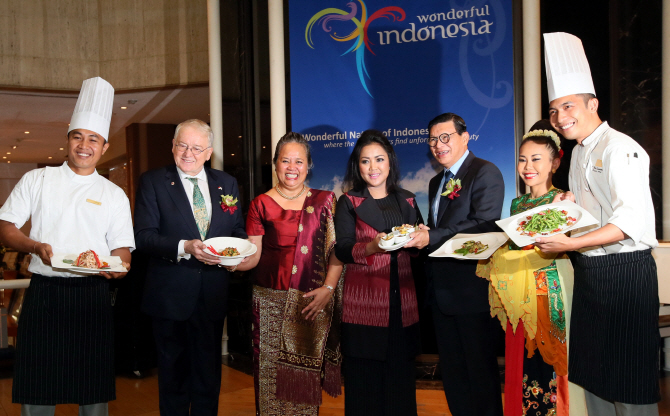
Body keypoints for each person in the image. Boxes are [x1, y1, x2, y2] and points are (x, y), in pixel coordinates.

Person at [534, 32, 660, 415]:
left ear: (594, 103)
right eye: (554, 111)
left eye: (568, 106)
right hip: (591, 271)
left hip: (625, 273)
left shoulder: (620, 147)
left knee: (629, 378)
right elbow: (593, 212)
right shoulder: (576, 155)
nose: (560, 118)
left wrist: (569, 245)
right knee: (593, 374)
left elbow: (629, 221)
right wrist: (570, 203)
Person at [0, 77, 134, 416]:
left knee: (92, 394)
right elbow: (5, 228)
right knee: (39, 391)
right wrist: (34, 246)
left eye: (94, 139)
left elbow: (122, 251)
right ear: (68, 140)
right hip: (45, 292)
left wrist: (116, 268)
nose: (84, 145)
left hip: (92, 296)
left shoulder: (113, 194)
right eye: (78, 137)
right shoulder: (38, 179)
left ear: (103, 147)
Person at [134, 119, 247, 416]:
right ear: (172, 146)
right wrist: (186, 246)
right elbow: (144, 237)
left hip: (212, 294)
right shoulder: (153, 181)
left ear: (208, 152)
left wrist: (233, 257)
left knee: (209, 377)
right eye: (182, 145)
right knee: (173, 378)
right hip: (170, 296)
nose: (188, 153)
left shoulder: (227, 183)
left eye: (197, 147)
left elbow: (237, 231)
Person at [477, 130, 586, 415]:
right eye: (523, 159)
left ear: (554, 163)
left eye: (536, 159)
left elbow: (563, 244)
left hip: (550, 291)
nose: (528, 167)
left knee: (551, 362)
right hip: (519, 295)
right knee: (521, 363)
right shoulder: (517, 205)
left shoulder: (562, 201)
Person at [405, 113, 504, 416]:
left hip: (471, 290)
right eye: (433, 139)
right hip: (441, 293)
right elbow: (440, 229)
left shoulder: (485, 172)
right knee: (453, 374)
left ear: (465, 137)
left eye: (445, 137)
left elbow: (484, 224)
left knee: (480, 374)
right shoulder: (437, 181)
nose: (438, 144)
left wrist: (431, 236)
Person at [237, 132, 343, 415]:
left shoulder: (324, 201)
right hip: (269, 304)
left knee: (303, 383)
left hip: (310, 302)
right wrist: (226, 261)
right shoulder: (260, 204)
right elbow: (253, 256)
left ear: (308, 166)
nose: (292, 167)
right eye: (285, 161)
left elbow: (336, 253)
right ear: (275, 164)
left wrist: (329, 290)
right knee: (270, 381)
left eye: (299, 161)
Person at [334, 130, 423, 416]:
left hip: (403, 303)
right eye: (365, 161)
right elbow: (343, 249)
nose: (373, 167)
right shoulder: (349, 202)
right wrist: (372, 246)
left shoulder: (408, 200)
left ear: (390, 162)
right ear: (357, 166)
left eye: (379, 159)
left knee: (401, 384)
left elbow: (419, 246)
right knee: (365, 386)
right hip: (365, 304)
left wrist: (422, 238)